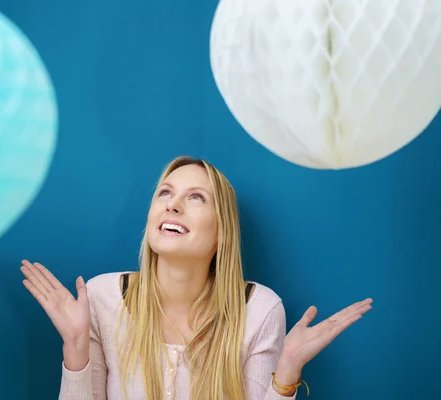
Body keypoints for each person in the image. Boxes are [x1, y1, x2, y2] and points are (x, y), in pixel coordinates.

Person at [21, 156, 373, 400]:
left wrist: (286, 375)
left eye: (196, 198)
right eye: (165, 193)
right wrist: (76, 346)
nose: (173, 205)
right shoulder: (101, 298)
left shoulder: (260, 311)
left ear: (222, 233)